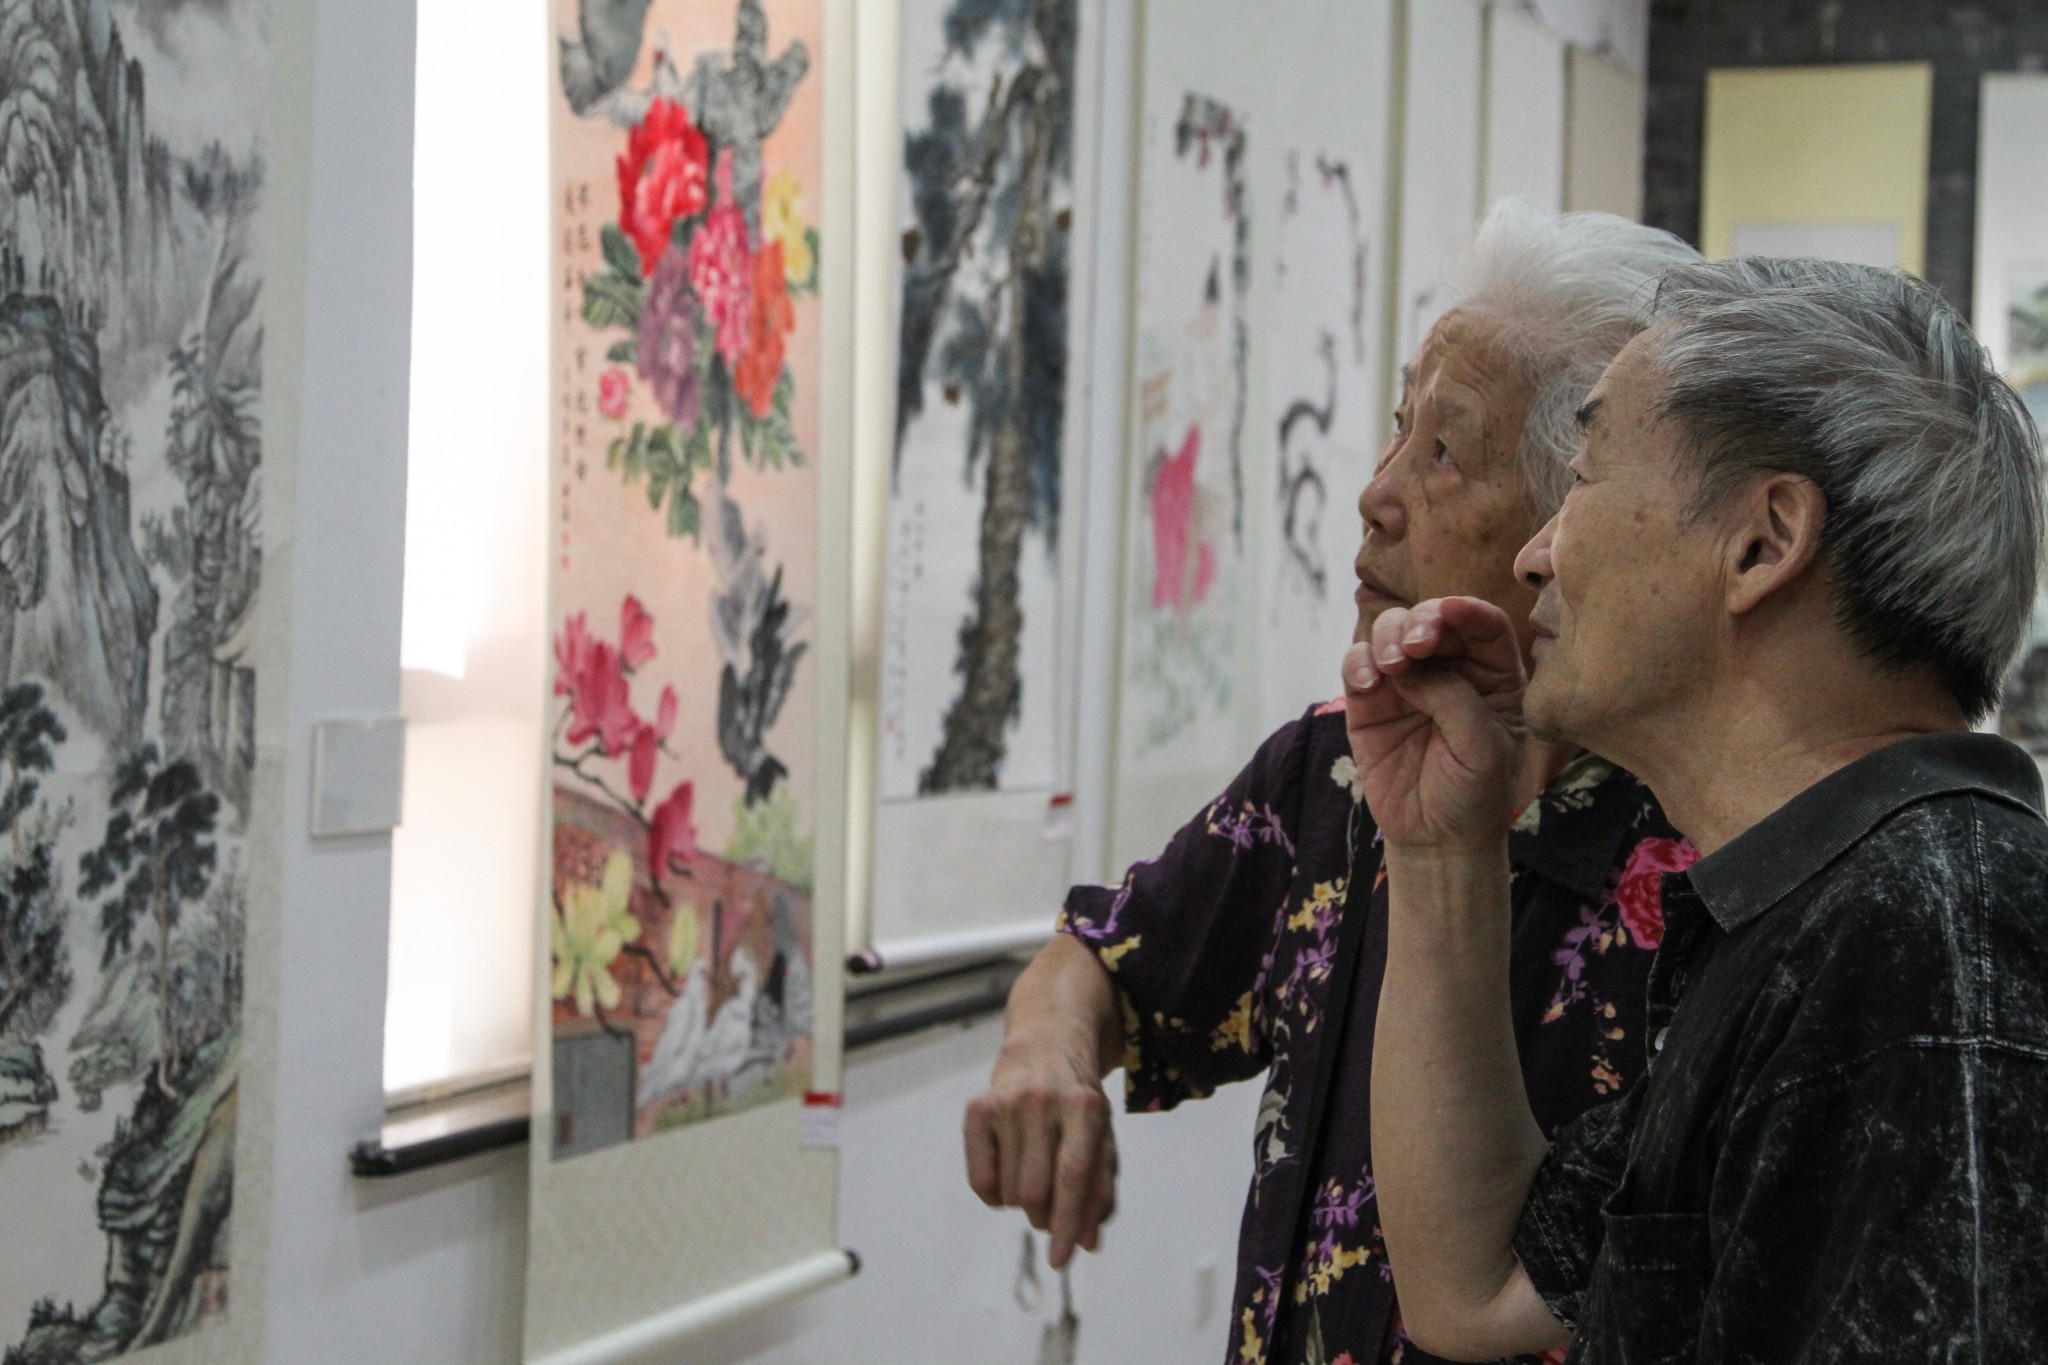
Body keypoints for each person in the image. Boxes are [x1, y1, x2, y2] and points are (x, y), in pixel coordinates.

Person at [962, 203, 1701, 1365]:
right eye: (1399, 430)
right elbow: (1108, 960)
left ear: (1576, 522)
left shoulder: (1694, 853)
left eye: (1444, 454)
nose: (1376, 493)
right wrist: (1044, 1056)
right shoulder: (1333, 773)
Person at [1349, 257, 2048, 1361]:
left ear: (1762, 543)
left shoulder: (1927, 935)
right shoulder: (1821, 908)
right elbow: (1474, 1288)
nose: (1535, 555)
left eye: (1583, 477)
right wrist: (1442, 850)